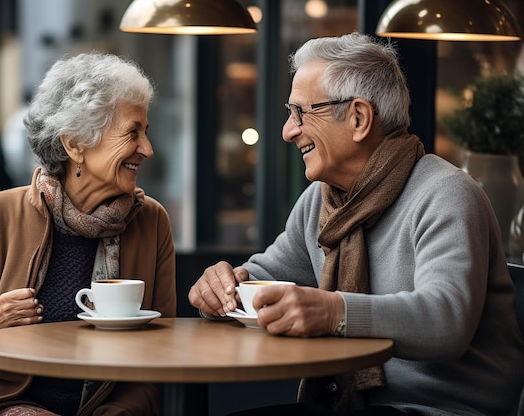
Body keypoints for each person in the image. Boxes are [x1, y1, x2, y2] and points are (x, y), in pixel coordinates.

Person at [189, 32, 524, 416]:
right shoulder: (321, 199)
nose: (287, 131)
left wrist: (334, 312)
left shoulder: (446, 193)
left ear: (359, 118)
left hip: (438, 409)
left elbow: (445, 322)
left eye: (300, 112)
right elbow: (264, 278)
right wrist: (225, 287)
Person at [0, 52, 176, 416]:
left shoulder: (151, 222)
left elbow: (158, 358)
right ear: (75, 144)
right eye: (132, 132)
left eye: (145, 133)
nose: (147, 149)